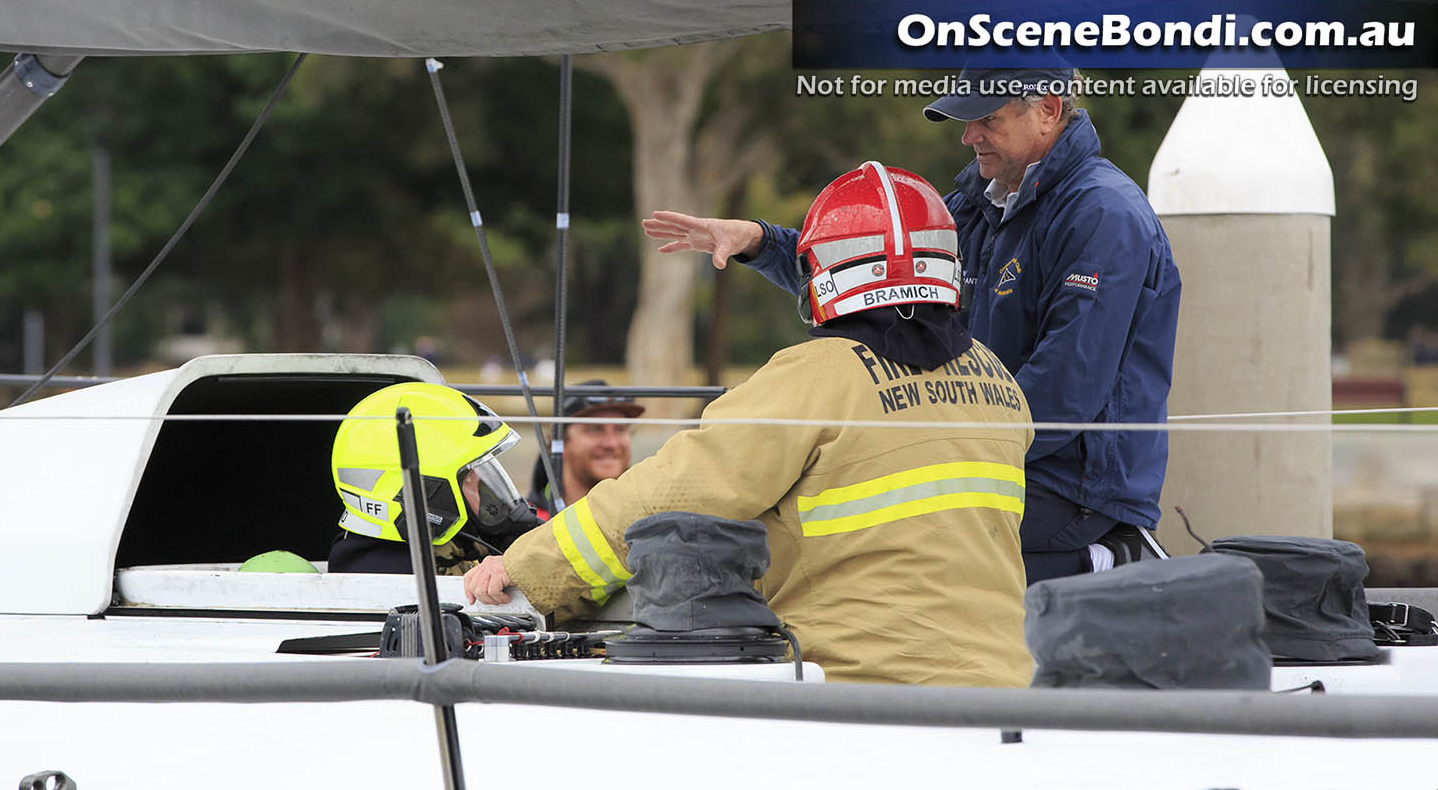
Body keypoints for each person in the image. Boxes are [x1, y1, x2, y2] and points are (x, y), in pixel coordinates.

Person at [466, 163, 1035, 686]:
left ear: (824, 274)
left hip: (861, 694)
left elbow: (666, 499)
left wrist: (526, 572)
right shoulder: (998, 383)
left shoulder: (812, 379)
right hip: (1004, 694)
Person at [641, 66, 1181, 583]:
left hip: (1075, 492)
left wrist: (941, 449)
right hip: (994, 458)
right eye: (965, 120)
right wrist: (762, 242)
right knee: (812, 518)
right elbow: (867, 280)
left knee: (869, 536)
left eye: (986, 119)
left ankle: (1106, 561)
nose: (968, 136)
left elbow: (1067, 390)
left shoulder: (1104, 214)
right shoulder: (978, 205)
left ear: (1048, 111)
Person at [327, 382, 540, 574]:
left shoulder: (458, 554)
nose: (487, 490)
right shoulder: (396, 579)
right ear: (429, 494)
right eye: (469, 476)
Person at [528, 379, 644, 518]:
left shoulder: (649, 522)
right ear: (560, 441)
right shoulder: (528, 527)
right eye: (595, 429)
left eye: (620, 429)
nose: (611, 443)